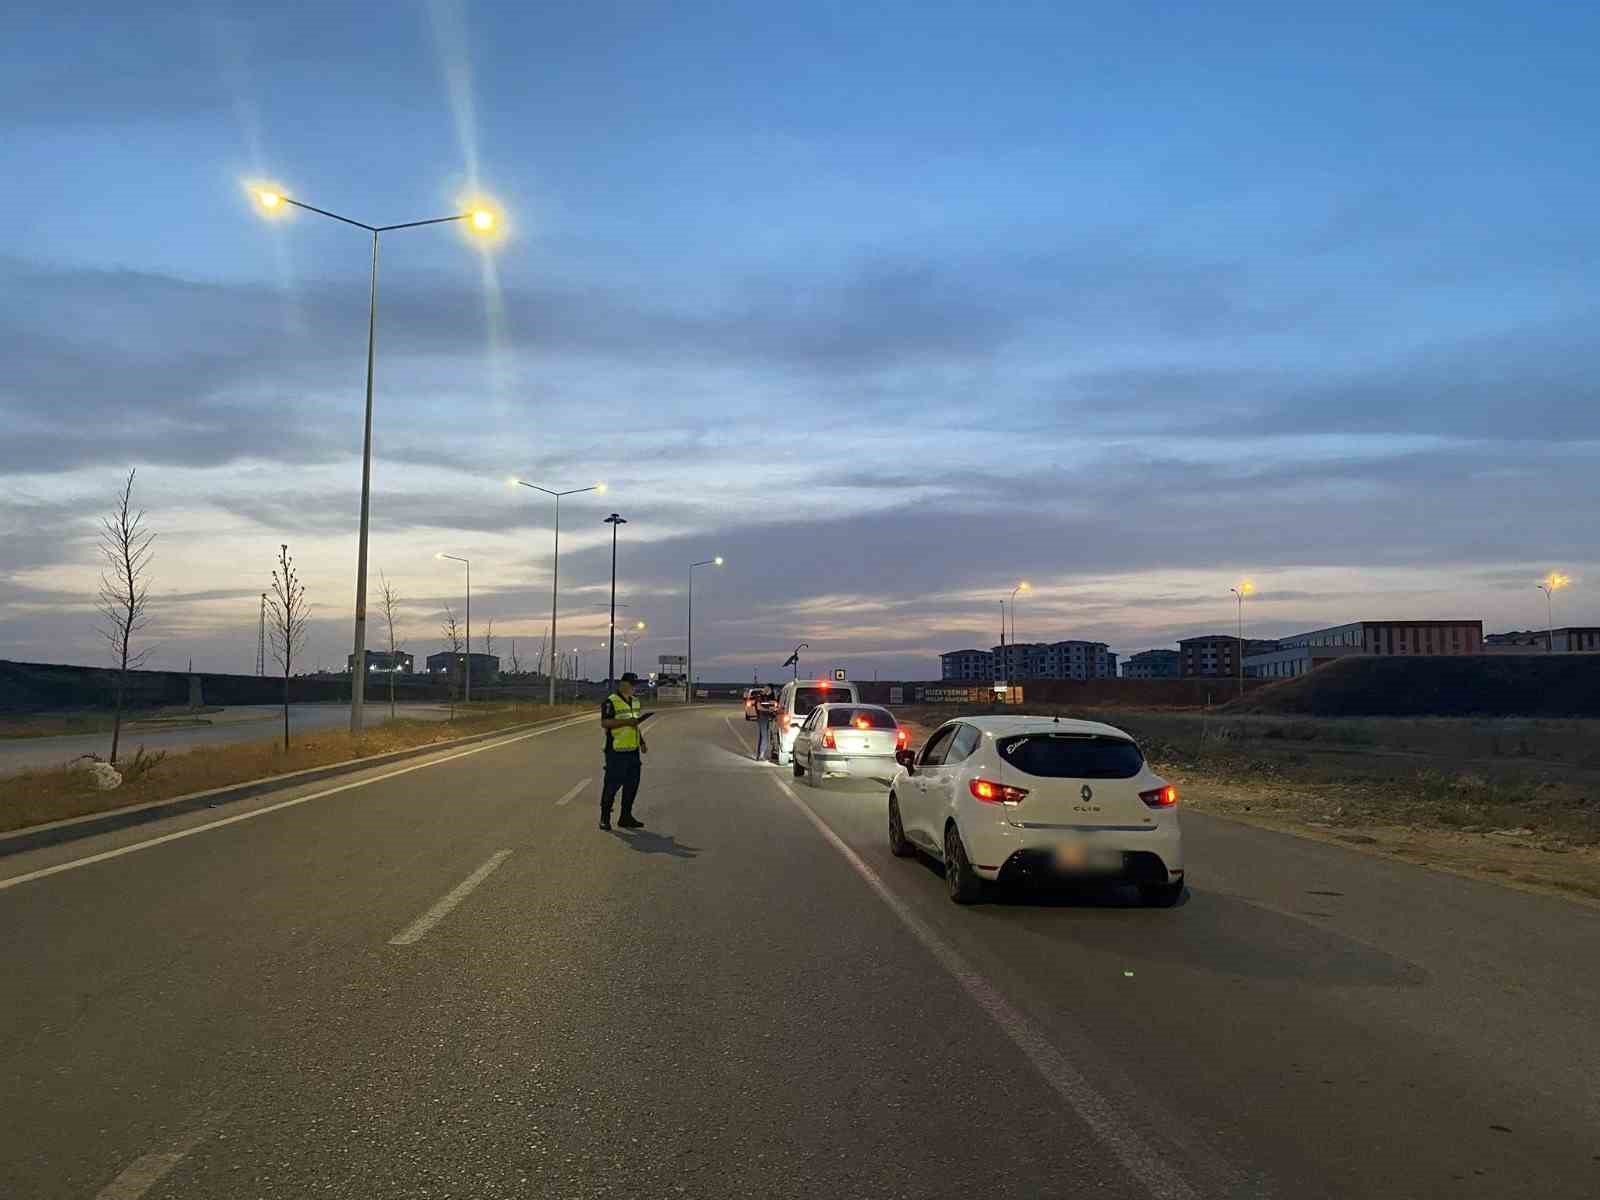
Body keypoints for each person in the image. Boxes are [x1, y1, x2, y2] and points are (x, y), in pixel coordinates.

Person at [599, 671, 648, 831]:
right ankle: (604, 818)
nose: (635, 688)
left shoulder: (635, 702)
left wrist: (641, 741)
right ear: (623, 685)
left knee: (632, 785)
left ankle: (625, 817)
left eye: (636, 685)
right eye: (632, 685)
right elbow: (605, 723)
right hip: (615, 752)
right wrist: (626, 721)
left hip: (633, 751)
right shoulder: (610, 702)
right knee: (612, 785)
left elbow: (635, 724)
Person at [753, 686, 778, 762]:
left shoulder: (765, 697)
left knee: (762, 737)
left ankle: (759, 755)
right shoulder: (760, 697)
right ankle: (761, 755)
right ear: (767, 689)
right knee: (765, 737)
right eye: (769, 690)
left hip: (765, 718)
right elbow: (759, 707)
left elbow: (772, 703)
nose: (769, 692)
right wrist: (769, 710)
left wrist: (773, 706)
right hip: (762, 718)